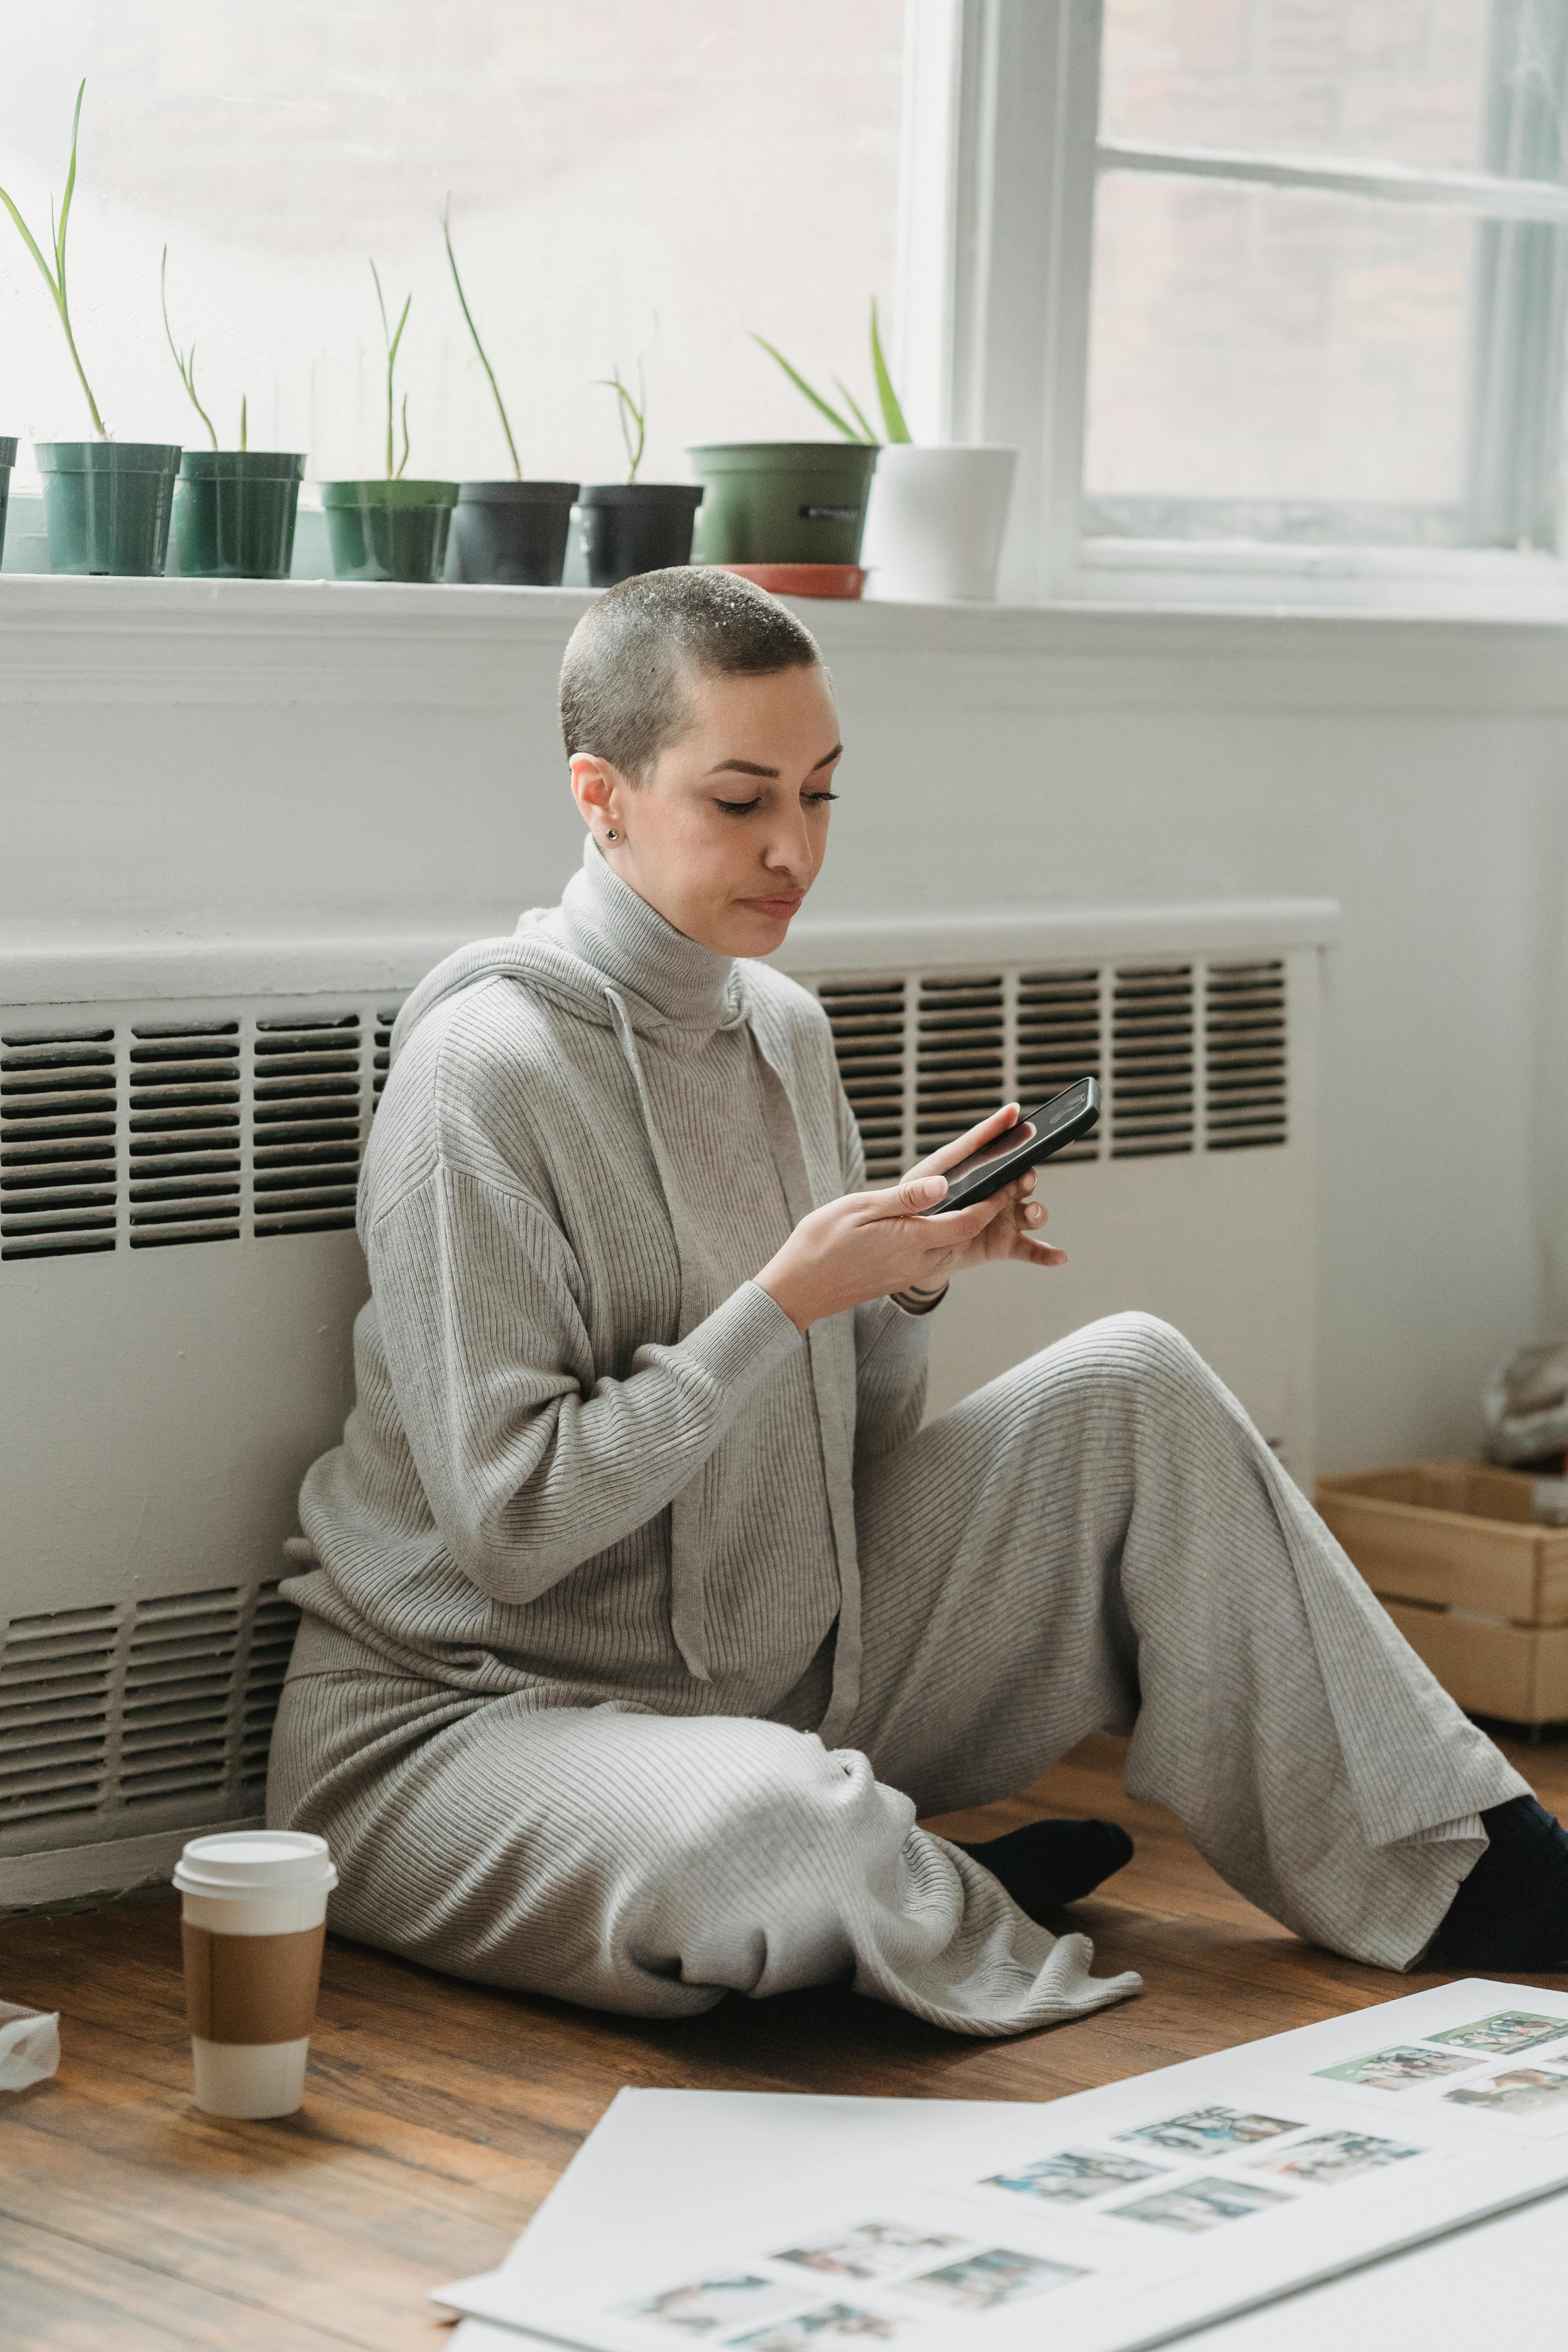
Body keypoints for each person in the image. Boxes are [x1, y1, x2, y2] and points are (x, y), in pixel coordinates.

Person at [268, 568, 1568, 2035]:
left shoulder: (781, 1029)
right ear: (602, 794)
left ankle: (1453, 1859)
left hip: (761, 1681)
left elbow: (855, 1468)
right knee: (766, 1833)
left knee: (1132, 1376)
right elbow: (513, 1530)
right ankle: (891, 1879)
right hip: (474, 1723)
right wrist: (780, 1301)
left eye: (821, 796)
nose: (794, 851)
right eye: (742, 800)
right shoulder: (484, 1077)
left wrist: (901, 1285)